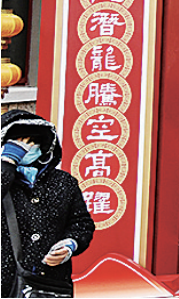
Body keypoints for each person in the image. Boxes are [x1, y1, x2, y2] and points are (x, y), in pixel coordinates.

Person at [1, 110, 95, 299]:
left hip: (50, 284)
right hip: (5, 282)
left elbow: (82, 223)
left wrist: (70, 244)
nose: (27, 148)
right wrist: (7, 163)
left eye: (33, 142)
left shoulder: (63, 182)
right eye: (17, 142)